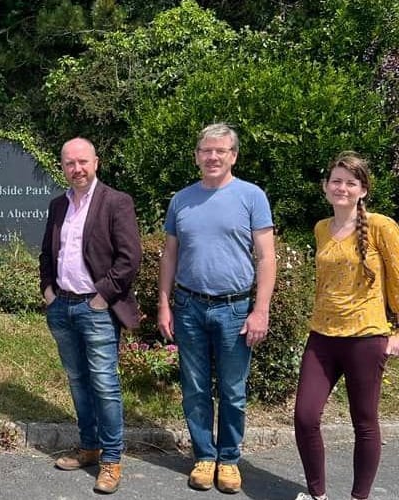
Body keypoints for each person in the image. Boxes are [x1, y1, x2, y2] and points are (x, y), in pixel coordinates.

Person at [157, 122, 276, 493]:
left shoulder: (251, 196)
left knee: (233, 389)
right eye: (206, 151)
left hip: (235, 310)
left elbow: (267, 257)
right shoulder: (182, 199)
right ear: (196, 156)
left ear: (233, 156)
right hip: (189, 305)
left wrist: (261, 310)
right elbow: (169, 255)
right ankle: (204, 456)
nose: (212, 157)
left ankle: (229, 459)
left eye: (220, 151)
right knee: (194, 388)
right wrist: (164, 303)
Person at [293, 152, 399, 500]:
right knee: (306, 417)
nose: (342, 188)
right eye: (336, 181)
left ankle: (359, 497)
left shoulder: (383, 227)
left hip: (366, 338)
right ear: (325, 187)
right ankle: (316, 495)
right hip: (322, 336)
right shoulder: (322, 228)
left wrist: (397, 333)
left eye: (350, 182)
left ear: (363, 189)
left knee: (364, 422)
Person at [39, 137, 142, 495]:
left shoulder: (116, 202)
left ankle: (112, 459)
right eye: (70, 163)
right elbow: (47, 255)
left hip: (95, 308)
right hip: (62, 307)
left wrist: (102, 298)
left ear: (96, 162)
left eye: (83, 162)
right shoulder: (57, 205)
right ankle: (89, 446)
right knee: (78, 381)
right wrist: (49, 292)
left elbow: (129, 259)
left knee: (105, 384)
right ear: (63, 166)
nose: (77, 169)